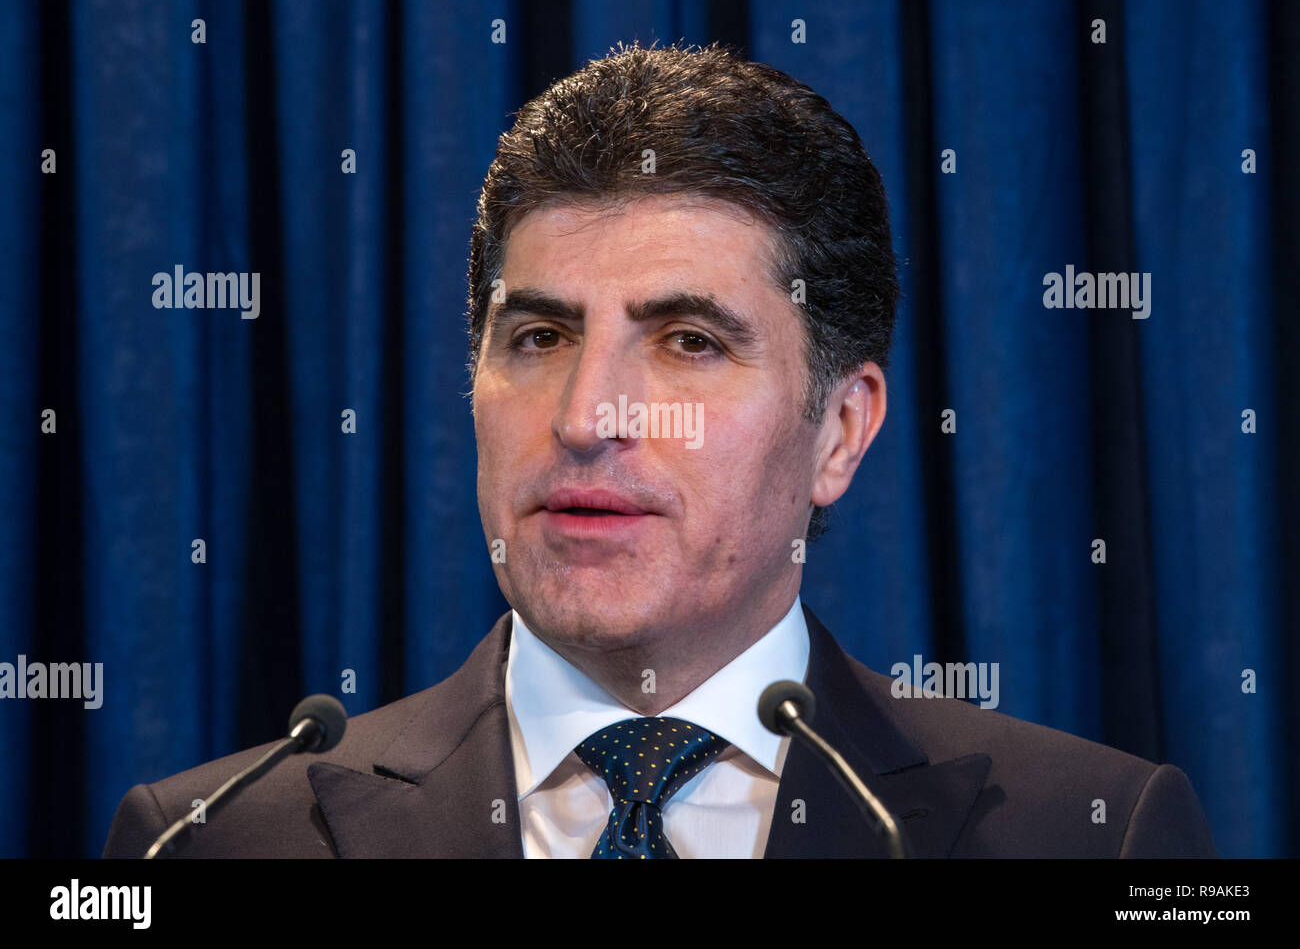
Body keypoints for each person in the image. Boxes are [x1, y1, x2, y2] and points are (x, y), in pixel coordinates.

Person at [103, 42, 1216, 859]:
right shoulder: (211, 839)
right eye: (538, 336)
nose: (587, 415)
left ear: (841, 430)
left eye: (687, 341)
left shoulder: (1096, 832)